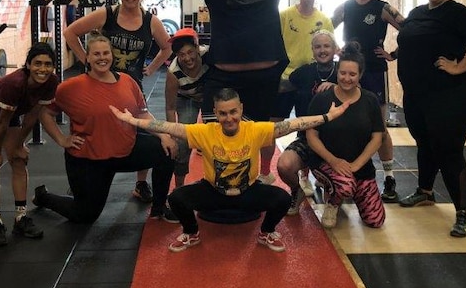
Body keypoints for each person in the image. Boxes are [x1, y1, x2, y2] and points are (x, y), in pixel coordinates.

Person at [146, 0, 332, 185]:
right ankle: (215, 181)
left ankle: (261, 175)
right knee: (215, 133)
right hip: (224, 77)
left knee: (261, 133)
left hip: (264, 78)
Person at [111, 88, 349, 252]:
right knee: (176, 198)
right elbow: (168, 126)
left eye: (233, 112)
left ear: (240, 109)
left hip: (248, 192)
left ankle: (266, 232)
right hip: (213, 191)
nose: (229, 118)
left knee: (282, 198)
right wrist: (132, 121)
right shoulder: (204, 132)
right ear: (215, 112)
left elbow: (294, 124)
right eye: (223, 113)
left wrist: (329, 116)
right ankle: (192, 232)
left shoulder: (255, 130)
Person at [391, 0, 466, 237]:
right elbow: (410, 41)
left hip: (450, 96)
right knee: (424, 143)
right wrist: (393, 55)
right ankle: (425, 191)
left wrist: (460, 67)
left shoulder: (458, 14)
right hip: (417, 95)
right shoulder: (417, 12)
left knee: (449, 151)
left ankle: (463, 213)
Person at [33, 33, 178, 224]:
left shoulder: (127, 81)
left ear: (112, 55)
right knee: (84, 215)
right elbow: (46, 114)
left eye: (106, 53)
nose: (102, 58)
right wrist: (62, 140)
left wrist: (163, 135)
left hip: (126, 150)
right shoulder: (70, 88)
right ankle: (44, 197)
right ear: (88, 58)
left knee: (166, 150)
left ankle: (159, 208)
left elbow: (142, 114)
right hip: (90, 159)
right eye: (96, 54)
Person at [63, 0, 173, 204]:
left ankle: (141, 184)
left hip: (130, 84)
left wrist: (151, 68)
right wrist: (85, 60)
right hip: (98, 82)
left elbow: (167, 48)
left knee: (140, 130)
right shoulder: (107, 14)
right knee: (91, 127)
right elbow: (70, 32)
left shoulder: (150, 21)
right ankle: (81, 180)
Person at [0, 42, 59, 247]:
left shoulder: (51, 82)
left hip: (9, 112)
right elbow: (2, 123)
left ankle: (21, 218)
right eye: (37, 63)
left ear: (53, 67)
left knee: (19, 160)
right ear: (28, 65)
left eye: (48, 64)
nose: (43, 69)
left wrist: (18, 145)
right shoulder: (15, 84)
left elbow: (33, 116)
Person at [331, 0, 403, 202]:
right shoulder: (345, 7)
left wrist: (394, 53)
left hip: (374, 71)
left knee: (379, 127)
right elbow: (322, 27)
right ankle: (346, 174)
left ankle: (390, 177)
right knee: (346, 122)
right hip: (349, 72)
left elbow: (410, 28)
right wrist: (333, 48)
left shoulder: (382, 8)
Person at [305, 42, 386, 229]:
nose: (347, 78)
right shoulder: (322, 99)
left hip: (359, 167)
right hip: (327, 163)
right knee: (345, 185)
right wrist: (333, 161)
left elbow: (377, 137)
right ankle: (333, 202)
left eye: (352, 74)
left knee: (376, 221)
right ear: (337, 72)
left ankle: (350, 190)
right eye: (342, 73)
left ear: (360, 75)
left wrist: (358, 164)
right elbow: (311, 136)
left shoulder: (370, 100)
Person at [273, 0, 334, 195]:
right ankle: (264, 172)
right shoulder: (285, 15)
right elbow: (273, 42)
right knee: (273, 126)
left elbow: (328, 46)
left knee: (308, 125)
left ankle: (305, 174)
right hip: (284, 78)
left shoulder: (323, 20)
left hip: (309, 80)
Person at [276, 29, 339, 215]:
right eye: (317, 46)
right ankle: (297, 191)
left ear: (334, 48)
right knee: (284, 165)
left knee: (339, 179)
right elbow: (282, 87)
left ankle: (333, 201)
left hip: (337, 140)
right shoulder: (303, 73)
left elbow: (359, 90)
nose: (322, 50)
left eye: (326, 46)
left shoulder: (343, 71)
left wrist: (337, 87)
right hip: (307, 137)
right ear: (312, 50)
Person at [164, 27, 209, 187]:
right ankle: (179, 188)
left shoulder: (208, 55)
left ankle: (217, 180)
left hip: (209, 96)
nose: (187, 58)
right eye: (181, 55)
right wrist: (172, 135)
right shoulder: (173, 72)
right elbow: (170, 107)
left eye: (190, 52)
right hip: (186, 98)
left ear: (197, 48)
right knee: (183, 141)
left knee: (218, 134)